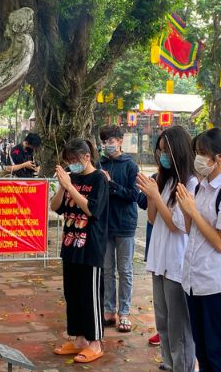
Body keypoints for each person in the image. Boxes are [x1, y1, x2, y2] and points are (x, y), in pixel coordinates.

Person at [176, 127, 221, 372]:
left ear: (219, 157)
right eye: (196, 152)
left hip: (217, 283)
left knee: (219, 352)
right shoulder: (201, 187)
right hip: (194, 280)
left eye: (201, 153)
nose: (197, 158)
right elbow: (191, 230)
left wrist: (193, 212)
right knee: (203, 350)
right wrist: (185, 207)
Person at [137, 126, 197, 372]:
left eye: (165, 151)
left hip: (177, 262)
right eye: (159, 150)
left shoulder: (191, 183)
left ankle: (183, 366)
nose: (161, 156)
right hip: (159, 258)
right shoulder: (165, 179)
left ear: (178, 152)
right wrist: (152, 194)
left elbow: (177, 225)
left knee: (178, 324)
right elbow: (153, 219)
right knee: (162, 319)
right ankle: (168, 362)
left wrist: (157, 196)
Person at [50, 138, 109, 364]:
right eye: (68, 161)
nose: (72, 164)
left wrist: (70, 187)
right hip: (70, 246)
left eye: (75, 160)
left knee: (90, 296)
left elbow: (92, 209)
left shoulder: (99, 179)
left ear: (87, 157)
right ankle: (79, 339)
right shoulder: (70, 179)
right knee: (72, 294)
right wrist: (61, 186)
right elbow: (56, 207)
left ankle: (96, 342)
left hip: (90, 247)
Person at [98, 125, 140, 332]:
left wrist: (111, 184)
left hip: (125, 224)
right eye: (104, 141)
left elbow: (134, 195)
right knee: (107, 269)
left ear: (121, 141)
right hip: (105, 223)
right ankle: (108, 310)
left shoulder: (130, 165)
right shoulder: (100, 163)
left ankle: (124, 312)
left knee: (125, 270)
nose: (108, 144)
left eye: (111, 140)